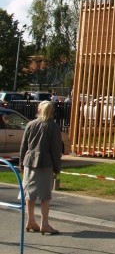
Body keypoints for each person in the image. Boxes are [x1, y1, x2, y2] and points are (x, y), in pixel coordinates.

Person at [19, 100, 63, 235]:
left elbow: (23, 146)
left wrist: (21, 163)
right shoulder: (53, 127)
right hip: (45, 162)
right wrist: (57, 167)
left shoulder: (30, 124)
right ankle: (44, 223)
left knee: (29, 194)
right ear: (51, 111)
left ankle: (30, 220)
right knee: (45, 195)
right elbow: (56, 149)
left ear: (39, 110)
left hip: (29, 161)